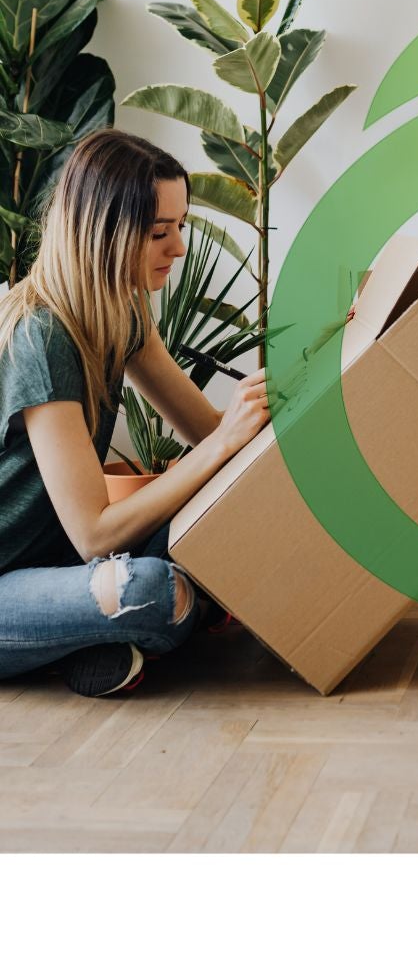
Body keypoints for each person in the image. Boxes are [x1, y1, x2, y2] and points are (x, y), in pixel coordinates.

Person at [0, 130, 271, 697]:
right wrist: (224, 441)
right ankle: (130, 622)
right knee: (148, 589)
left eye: (181, 227)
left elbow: (209, 431)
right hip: (13, 584)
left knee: (224, 517)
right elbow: (96, 535)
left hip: (59, 567)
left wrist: (288, 392)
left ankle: (91, 642)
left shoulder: (122, 310)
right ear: (103, 232)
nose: (179, 249)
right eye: (158, 233)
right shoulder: (42, 336)